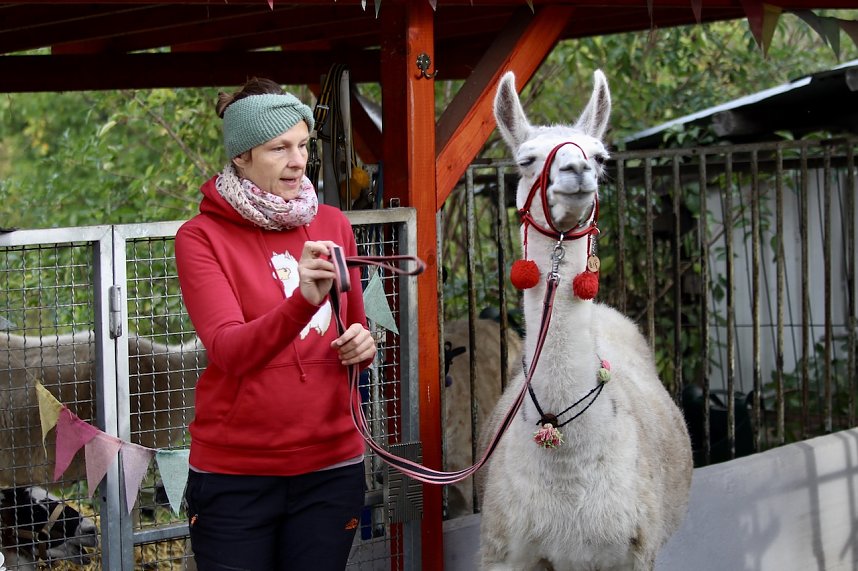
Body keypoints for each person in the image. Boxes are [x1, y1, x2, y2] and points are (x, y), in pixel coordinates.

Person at [175, 77, 376, 570]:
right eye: (278, 148)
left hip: (331, 466)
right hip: (237, 475)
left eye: (304, 145)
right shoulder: (200, 238)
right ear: (241, 156)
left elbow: (352, 326)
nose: (298, 160)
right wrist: (302, 301)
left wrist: (361, 344)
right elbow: (229, 350)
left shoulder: (333, 225)